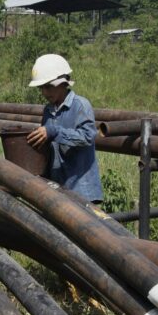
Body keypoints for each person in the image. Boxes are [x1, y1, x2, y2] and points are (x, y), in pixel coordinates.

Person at [26, 54, 103, 203]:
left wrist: (55, 131)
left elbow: (87, 137)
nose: (44, 93)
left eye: (48, 87)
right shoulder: (48, 111)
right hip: (59, 189)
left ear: (62, 83)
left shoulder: (80, 106)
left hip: (82, 192)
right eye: (42, 88)